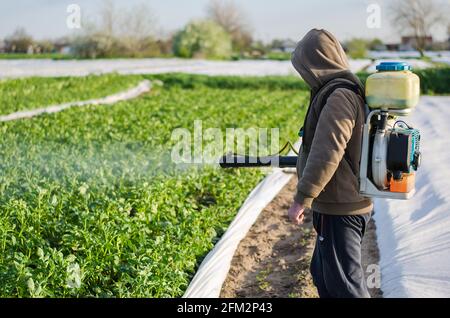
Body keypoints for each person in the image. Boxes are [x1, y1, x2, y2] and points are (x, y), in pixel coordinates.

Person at [287, 29, 373, 298]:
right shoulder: (341, 91)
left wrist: (303, 197)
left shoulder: (339, 97)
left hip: (341, 208)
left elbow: (328, 150)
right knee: (323, 274)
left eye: (304, 67)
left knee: (344, 286)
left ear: (316, 63)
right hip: (339, 205)